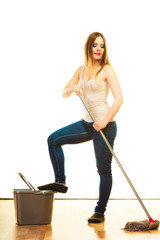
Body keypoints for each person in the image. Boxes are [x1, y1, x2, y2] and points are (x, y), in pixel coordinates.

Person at [38, 32, 123, 223]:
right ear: (89, 47)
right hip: (86, 123)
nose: (98, 49)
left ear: (104, 49)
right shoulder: (81, 70)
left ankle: (99, 212)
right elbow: (64, 93)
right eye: (95, 45)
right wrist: (72, 88)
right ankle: (60, 181)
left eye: (101, 45)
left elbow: (119, 99)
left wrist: (104, 121)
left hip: (105, 126)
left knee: (103, 170)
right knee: (53, 140)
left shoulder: (107, 70)